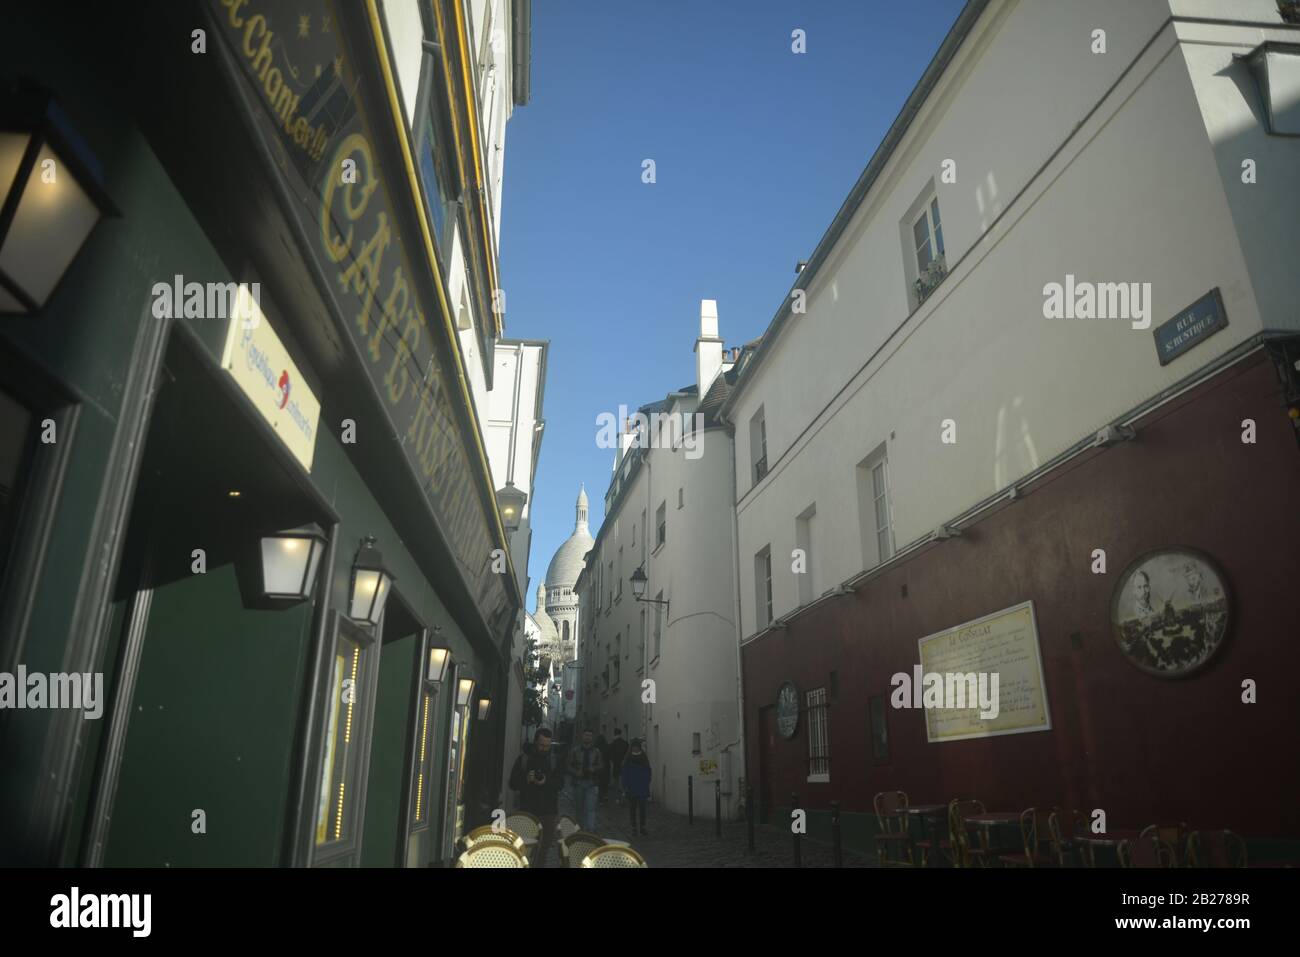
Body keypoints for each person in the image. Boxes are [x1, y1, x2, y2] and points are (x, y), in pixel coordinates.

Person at [509, 728, 562, 867]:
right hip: (527, 811)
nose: (545, 748)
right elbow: (512, 783)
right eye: (542, 745)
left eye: (547, 745)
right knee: (526, 849)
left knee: (543, 849)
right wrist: (526, 780)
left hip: (548, 811)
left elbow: (561, 783)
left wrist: (546, 781)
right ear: (535, 742)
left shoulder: (554, 760)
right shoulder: (524, 759)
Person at [566, 729, 603, 831]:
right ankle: (579, 829)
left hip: (592, 782)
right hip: (578, 783)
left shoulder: (596, 751)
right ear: (582, 737)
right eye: (586, 735)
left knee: (590, 808)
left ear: (592, 738)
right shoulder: (575, 751)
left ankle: (590, 829)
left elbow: (601, 765)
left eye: (590, 736)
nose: (587, 737)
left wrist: (594, 769)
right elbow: (568, 765)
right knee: (579, 808)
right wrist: (575, 772)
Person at [620, 738, 651, 836]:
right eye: (634, 747)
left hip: (642, 786)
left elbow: (648, 771)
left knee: (642, 808)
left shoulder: (643, 757)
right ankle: (633, 827)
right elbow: (625, 773)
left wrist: (646, 782)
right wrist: (625, 785)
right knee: (632, 808)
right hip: (631, 786)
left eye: (637, 747)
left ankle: (643, 827)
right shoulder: (628, 758)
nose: (635, 749)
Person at [607, 729, 629, 804]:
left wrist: (612, 762)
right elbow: (628, 754)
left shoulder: (611, 744)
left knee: (615, 784)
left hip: (615, 765)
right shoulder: (625, 743)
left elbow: (609, 756)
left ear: (614, 734)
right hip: (624, 765)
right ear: (621, 733)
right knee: (623, 784)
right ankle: (623, 798)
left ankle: (617, 798)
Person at [595, 731, 610, 804]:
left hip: (598, 767)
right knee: (605, 783)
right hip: (606, 766)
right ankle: (605, 795)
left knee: (599, 783)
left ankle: (600, 798)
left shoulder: (596, 747)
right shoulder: (606, 746)